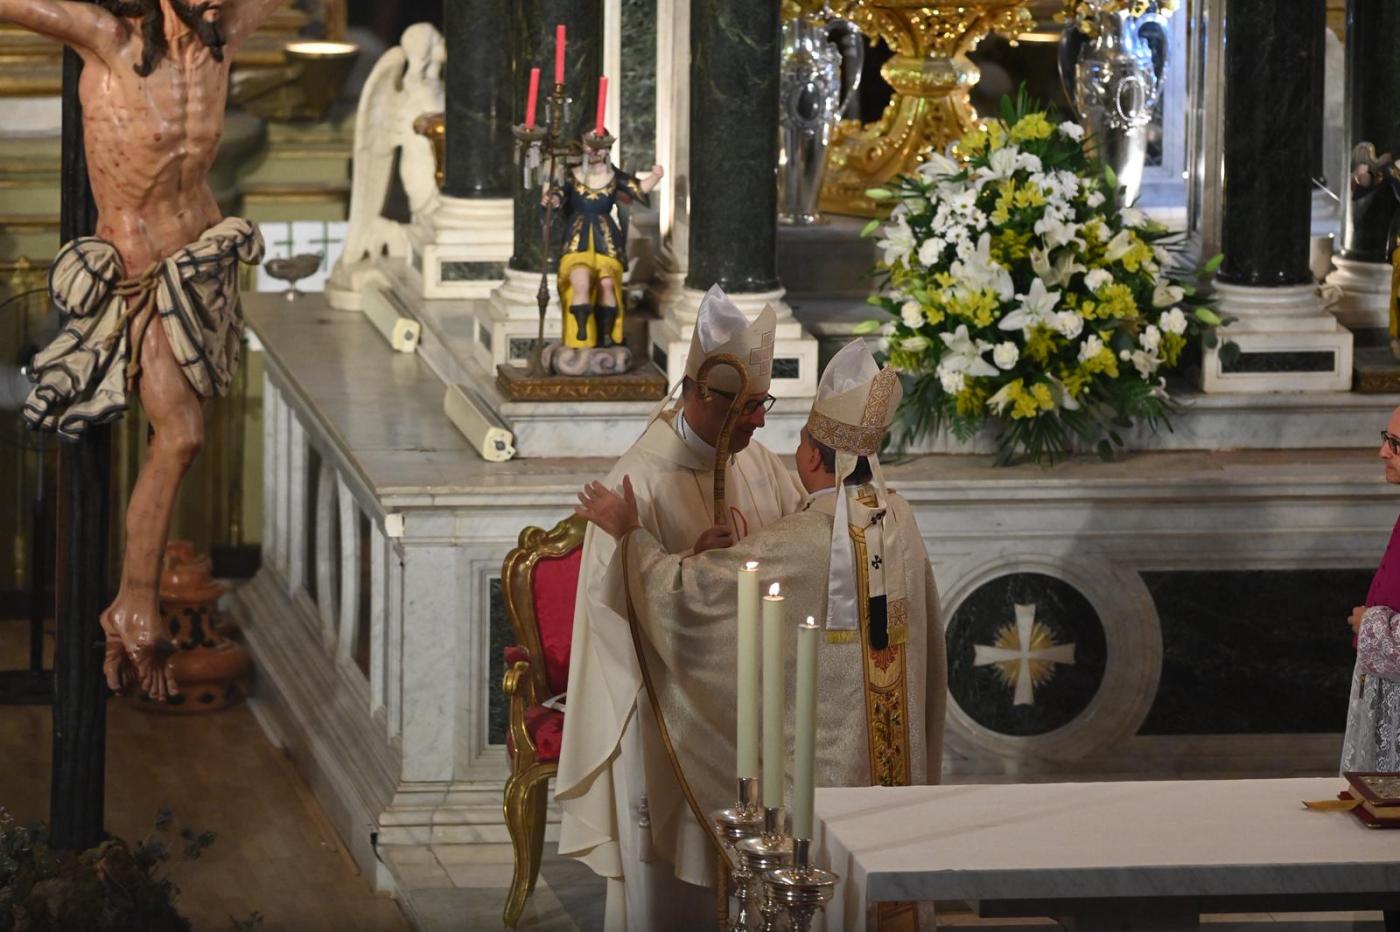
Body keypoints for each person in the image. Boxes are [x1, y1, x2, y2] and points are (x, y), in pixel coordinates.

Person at [577, 340, 946, 928]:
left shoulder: (806, 539)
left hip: (824, 762)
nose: (777, 437)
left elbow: (691, 597)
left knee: (816, 876)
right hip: (886, 753)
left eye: (800, 438)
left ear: (818, 462)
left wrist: (632, 538)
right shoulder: (897, 517)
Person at [0, 0, 278, 700]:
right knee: (179, 435)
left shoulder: (223, 41)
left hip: (202, 273)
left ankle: (131, 601)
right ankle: (131, 599)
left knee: (184, 435)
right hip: (138, 274)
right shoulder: (107, 43)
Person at [555, 284, 805, 931]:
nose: (757, 422)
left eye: (761, 405)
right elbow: (614, 621)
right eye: (745, 408)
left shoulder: (762, 466)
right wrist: (692, 566)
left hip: (748, 710)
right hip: (671, 719)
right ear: (697, 393)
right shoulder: (637, 481)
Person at [543, 130, 662, 349]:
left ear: (608, 149)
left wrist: (656, 176)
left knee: (607, 283)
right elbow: (559, 194)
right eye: (592, 147)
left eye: (601, 147)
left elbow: (638, 188)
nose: (596, 152)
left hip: (606, 239)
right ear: (584, 148)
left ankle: (607, 334)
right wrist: (552, 198)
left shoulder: (614, 176)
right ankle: (581, 334)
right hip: (577, 239)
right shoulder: (572, 174)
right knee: (581, 280)